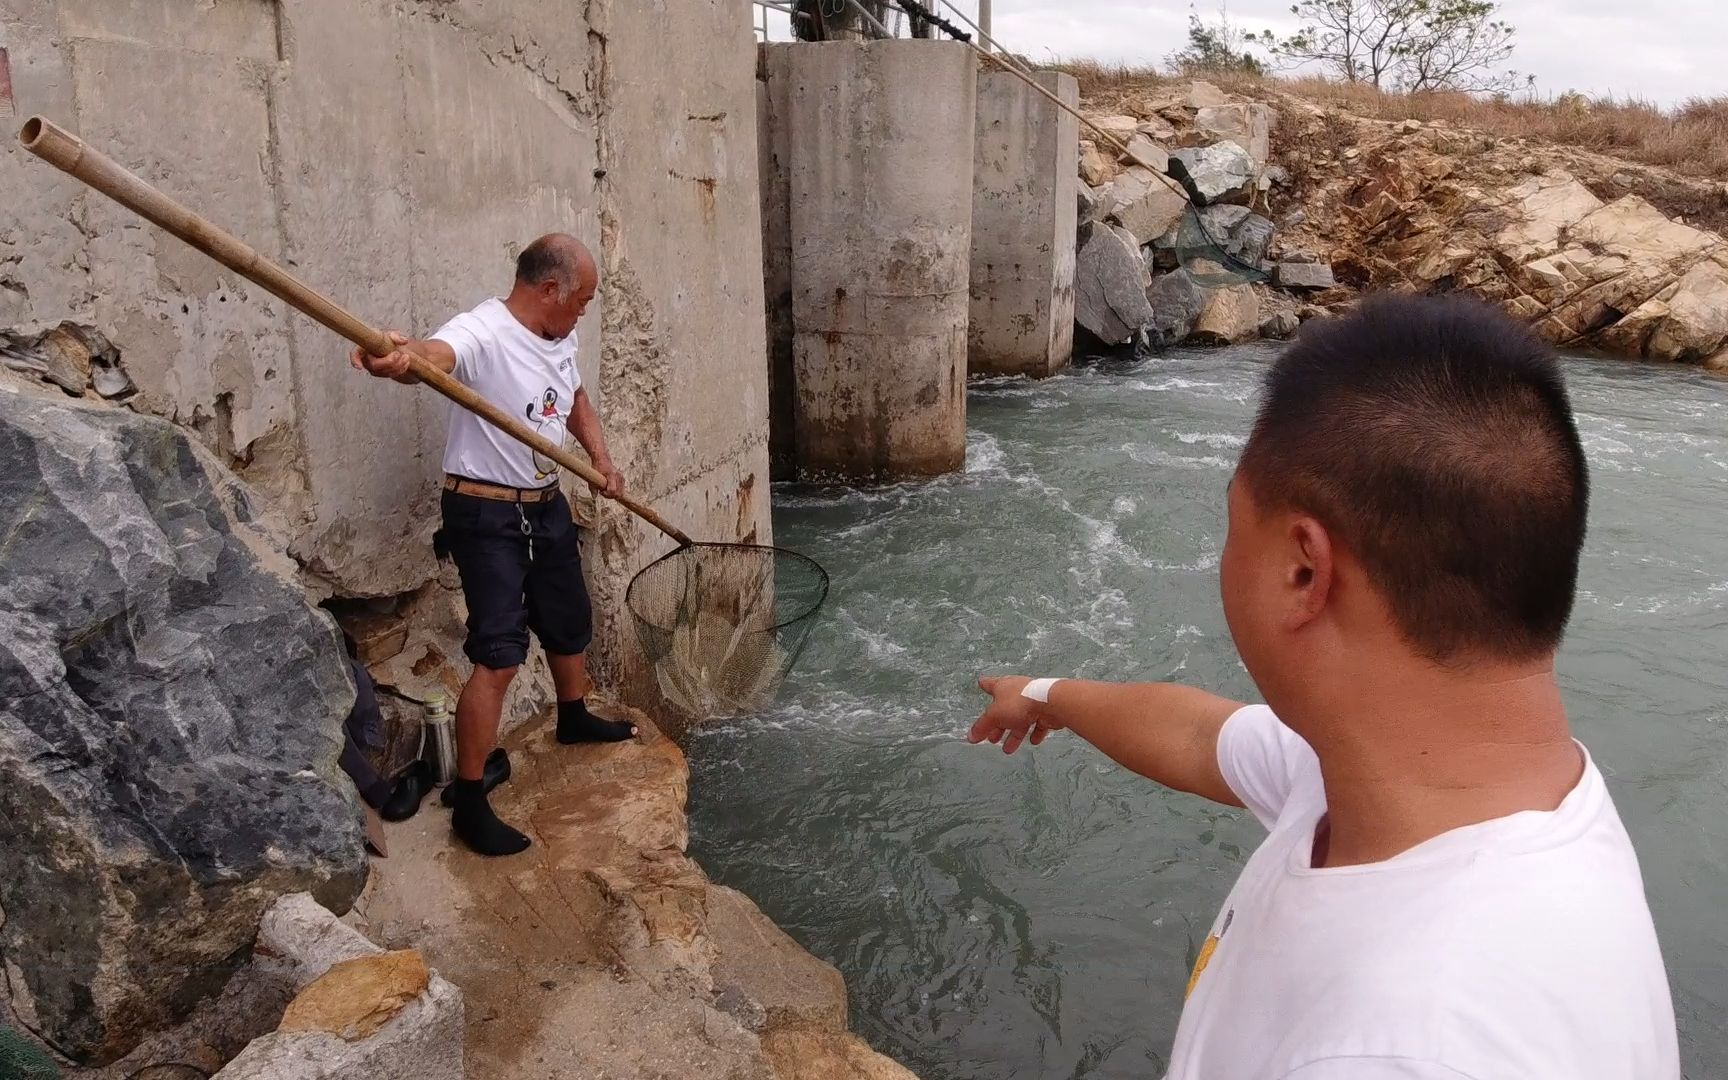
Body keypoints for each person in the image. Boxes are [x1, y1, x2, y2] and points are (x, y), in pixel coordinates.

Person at [970, 295, 1680, 1079]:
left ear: (1303, 570)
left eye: (1232, 525)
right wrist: (1042, 695)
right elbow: (1201, 737)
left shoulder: (1414, 1044)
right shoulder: (1433, 778)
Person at [353, 233, 636, 858]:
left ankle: (573, 715)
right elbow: (433, 356)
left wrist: (601, 457)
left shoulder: (560, 336)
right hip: (486, 512)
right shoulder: (483, 330)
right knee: (500, 654)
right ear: (548, 290)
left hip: (545, 501)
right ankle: (472, 801)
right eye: (581, 299)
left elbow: (575, 396)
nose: (583, 310)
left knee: (568, 621)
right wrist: (399, 359)